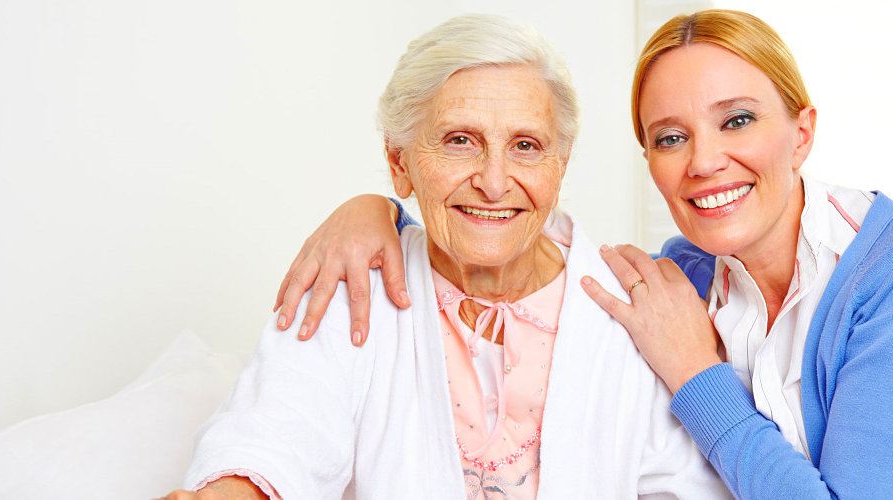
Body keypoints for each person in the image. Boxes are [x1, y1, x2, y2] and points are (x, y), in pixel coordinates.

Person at [270, 9, 893, 499]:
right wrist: (373, 211)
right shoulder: (677, 278)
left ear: (803, 132)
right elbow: (515, 225)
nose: (705, 162)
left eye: (739, 120)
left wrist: (698, 374)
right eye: (670, 136)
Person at [159, 14, 727, 500]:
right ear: (399, 162)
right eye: (460, 141)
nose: (495, 182)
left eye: (526, 146)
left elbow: (685, 485)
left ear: (561, 164)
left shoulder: (634, 307)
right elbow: (272, 438)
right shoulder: (352, 282)